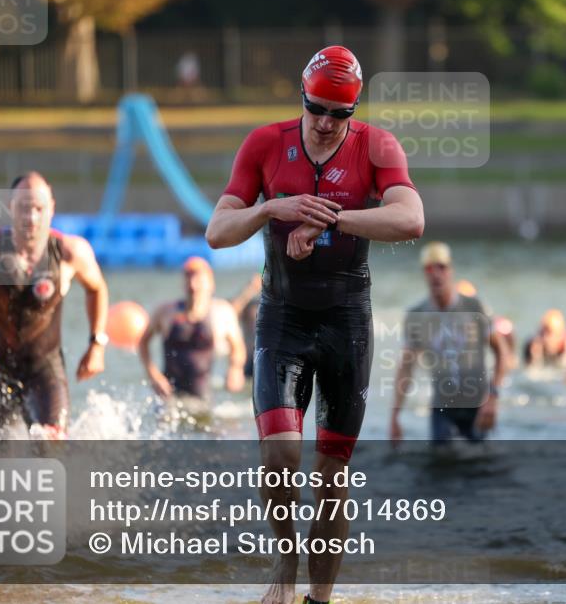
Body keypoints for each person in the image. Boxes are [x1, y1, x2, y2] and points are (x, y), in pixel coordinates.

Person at [205, 45, 424, 604]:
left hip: (347, 319)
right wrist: (269, 210)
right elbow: (218, 231)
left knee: (331, 475)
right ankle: (286, 560)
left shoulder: (377, 145)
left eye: (339, 113)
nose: (326, 123)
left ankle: (318, 600)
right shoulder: (265, 143)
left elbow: (411, 218)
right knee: (279, 456)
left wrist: (329, 216)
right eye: (317, 108)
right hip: (282, 315)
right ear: (300, 96)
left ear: (355, 111)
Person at [0, 172, 109, 452]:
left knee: (51, 450)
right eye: (23, 208)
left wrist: (97, 343)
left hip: (45, 370)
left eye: (39, 209)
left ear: (51, 209)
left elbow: (97, 289)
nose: (31, 217)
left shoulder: (70, 252)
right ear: (10, 208)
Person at [390, 242, 508, 444]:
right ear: (424, 273)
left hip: (478, 405)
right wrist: (395, 415)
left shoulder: (474, 306)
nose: (436, 274)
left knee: (484, 468)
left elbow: (502, 352)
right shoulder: (416, 315)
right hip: (442, 408)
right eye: (429, 268)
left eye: (441, 267)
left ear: (451, 271)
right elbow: (406, 368)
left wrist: (493, 397)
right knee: (440, 469)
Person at [137, 257, 247, 404]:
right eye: (189, 279)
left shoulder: (222, 312)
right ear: (183, 283)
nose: (193, 286)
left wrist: (235, 369)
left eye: (199, 280)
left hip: (201, 400)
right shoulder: (165, 312)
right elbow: (143, 342)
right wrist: (153, 375)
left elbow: (237, 347)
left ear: (211, 284)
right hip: (168, 397)